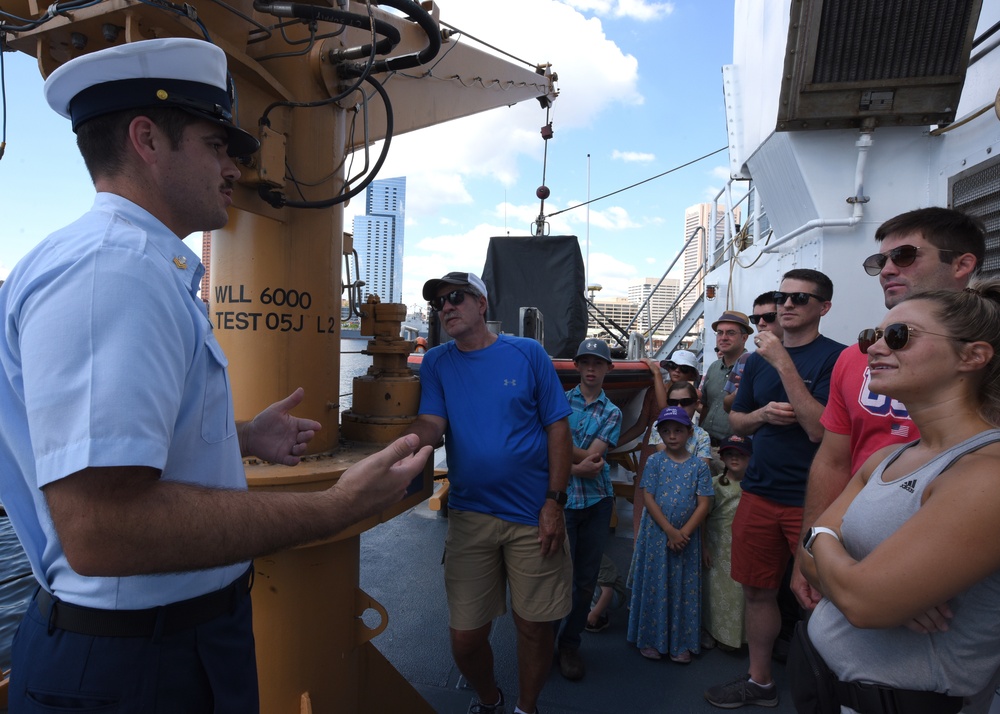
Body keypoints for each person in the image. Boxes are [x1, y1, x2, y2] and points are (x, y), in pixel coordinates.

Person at [0, 38, 431, 713]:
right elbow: (101, 528)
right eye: (216, 144)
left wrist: (241, 436)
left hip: (163, 645)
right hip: (133, 667)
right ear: (147, 138)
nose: (235, 167)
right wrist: (333, 507)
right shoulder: (112, 273)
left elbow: (126, 445)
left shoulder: (132, 267)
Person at [797, 278, 1000, 713]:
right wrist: (869, 582)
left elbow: (864, 602)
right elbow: (811, 553)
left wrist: (830, 548)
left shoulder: (986, 474)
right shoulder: (888, 457)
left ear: (972, 356)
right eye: (872, 336)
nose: (873, 348)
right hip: (827, 686)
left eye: (898, 336)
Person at [792, 207, 985, 610]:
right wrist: (807, 550)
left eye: (905, 256)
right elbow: (832, 460)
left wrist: (908, 580)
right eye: (881, 260)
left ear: (963, 264)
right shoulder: (855, 358)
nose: (886, 269)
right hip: (849, 559)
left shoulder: (988, 365)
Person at [403, 271, 573, 714]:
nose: (446, 307)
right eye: (439, 303)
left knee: (534, 627)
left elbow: (558, 426)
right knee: (465, 638)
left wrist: (554, 502)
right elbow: (432, 424)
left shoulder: (528, 354)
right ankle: (491, 699)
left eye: (455, 297)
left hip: (533, 514)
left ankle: (527, 708)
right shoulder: (438, 362)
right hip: (470, 515)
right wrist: (399, 446)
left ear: (482, 303)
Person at [705, 269, 844, 709]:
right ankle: (760, 680)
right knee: (758, 590)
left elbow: (820, 429)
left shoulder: (838, 360)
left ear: (823, 307)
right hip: (761, 493)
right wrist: (763, 414)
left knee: (821, 599)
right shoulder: (753, 363)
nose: (787, 305)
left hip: (815, 501)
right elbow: (738, 421)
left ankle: (829, 688)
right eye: (783, 297)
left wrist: (784, 361)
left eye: (800, 299)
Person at [556, 338, 622, 682]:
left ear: (607, 368)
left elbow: (593, 458)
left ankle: (569, 643)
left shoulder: (613, 412)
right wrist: (572, 465)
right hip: (563, 500)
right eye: (586, 363)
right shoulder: (560, 402)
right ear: (578, 367)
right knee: (554, 576)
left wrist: (563, 455)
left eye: (598, 363)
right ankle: (544, 640)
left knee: (584, 581)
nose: (592, 369)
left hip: (596, 503)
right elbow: (580, 456)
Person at [627, 406, 713, 664]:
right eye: (666, 431)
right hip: (656, 536)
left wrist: (683, 533)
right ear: (660, 434)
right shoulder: (654, 462)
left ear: (689, 432)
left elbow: (705, 503)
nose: (672, 435)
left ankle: (681, 641)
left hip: (687, 541)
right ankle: (651, 638)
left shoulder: (699, 466)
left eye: (678, 430)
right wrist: (669, 530)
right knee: (655, 583)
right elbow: (648, 497)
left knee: (683, 587)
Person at [618, 350, 701, 539]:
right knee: (644, 494)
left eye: (684, 368)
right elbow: (641, 425)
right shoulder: (652, 391)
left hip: (679, 449)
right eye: (673, 366)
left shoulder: (691, 395)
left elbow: (667, 411)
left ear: (691, 374)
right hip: (650, 447)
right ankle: (640, 544)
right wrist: (613, 444)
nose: (677, 371)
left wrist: (656, 373)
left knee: (671, 497)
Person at [702, 434, 751, 651]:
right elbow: (703, 518)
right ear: (721, 457)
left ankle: (739, 635)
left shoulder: (755, 487)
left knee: (741, 593)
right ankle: (714, 631)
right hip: (718, 546)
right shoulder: (714, 485)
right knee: (716, 590)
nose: (734, 458)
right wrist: (703, 546)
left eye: (740, 454)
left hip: (746, 548)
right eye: (729, 453)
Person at [699, 311, 752, 447]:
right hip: (706, 446)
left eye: (731, 333)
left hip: (736, 451)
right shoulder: (713, 368)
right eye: (719, 332)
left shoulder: (753, 367)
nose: (723, 337)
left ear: (744, 338)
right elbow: (705, 406)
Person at [724, 293, 784, 412]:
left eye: (769, 317)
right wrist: (741, 391)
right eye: (755, 319)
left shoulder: (802, 356)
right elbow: (726, 406)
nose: (761, 323)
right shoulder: (746, 359)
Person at [585, 554, 627, 633]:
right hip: (603, 588)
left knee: (590, 586)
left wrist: (595, 613)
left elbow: (607, 592)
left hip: (615, 595)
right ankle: (588, 609)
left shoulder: (598, 562)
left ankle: (601, 617)